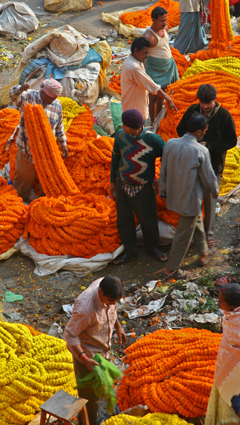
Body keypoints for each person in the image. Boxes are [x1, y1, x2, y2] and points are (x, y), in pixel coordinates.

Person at [159, 113, 219, 280]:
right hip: (190, 200)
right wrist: (214, 191)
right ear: (199, 132)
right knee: (183, 234)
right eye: (205, 131)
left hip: (172, 195)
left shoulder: (171, 143)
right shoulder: (201, 150)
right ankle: (171, 269)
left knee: (195, 221)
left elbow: (164, 168)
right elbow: (208, 177)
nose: (205, 134)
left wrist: (162, 189)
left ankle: (203, 253)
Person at [176, 84, 236, 249]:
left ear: (215, 100)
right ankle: (195, 234)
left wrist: (208, 144)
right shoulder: (192, 111)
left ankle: (208, 235)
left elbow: (231, 140)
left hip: (213, 166)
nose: (204, 106)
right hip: (193, 164)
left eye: (207, 103)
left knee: (210, 202)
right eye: (202, 102)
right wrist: (192, 140)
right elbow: (180, 129)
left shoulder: (224, 116)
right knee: (193, 201)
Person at [64, 276, 126, 425]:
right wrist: (84, 358)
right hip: (87, 354)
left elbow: (111, 308)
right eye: (111, 301)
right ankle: (88, 421)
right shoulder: (86, 309)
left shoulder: (106, 284)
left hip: (102, 347)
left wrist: (118, 326)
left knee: (100, 386)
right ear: (100, 292)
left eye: (115, 302)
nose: (113, 305)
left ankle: (96, 409)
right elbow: (70, 334)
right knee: (89, 396)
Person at [110, 108, 167, 265]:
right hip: (123, 185)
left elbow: (167, 157)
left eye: (125, 125)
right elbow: (115, 158)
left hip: (143, 188)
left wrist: (162, 178)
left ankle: (152, 248)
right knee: (124, 220)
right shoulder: (121, 137)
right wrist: (112, 181)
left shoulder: (153, 140)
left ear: (135, 127)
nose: (122, 127)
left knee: (148, 220)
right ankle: (130, 251)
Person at [8, 79, 68, 201]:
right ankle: (19, 201)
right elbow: (12, 95)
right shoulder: (28, 97)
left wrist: (63, 144)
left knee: (47, 182)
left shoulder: (57, 105)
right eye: (50, 97)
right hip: (27, 150)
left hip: (46, 152)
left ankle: (43, 203)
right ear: (43, 91)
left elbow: (59, 127)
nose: (52, 100)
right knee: (22, 181)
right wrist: (20, 89)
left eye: (55, 98)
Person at [205, 284, 240, 425]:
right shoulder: (232, 315)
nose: (218, 303)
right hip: (226, 370)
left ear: (232, 306)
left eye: (221, 301)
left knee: (233, 399)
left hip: (236, 373)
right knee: (225, 391)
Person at [120, 37, 177, 123]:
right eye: (145, 53)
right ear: (136, 50)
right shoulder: (134, 68)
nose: (147, 56)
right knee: (136, 132)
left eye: (148, 53)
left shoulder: (133, 60)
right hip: (134, 111)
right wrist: (168, 98)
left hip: (132, 108)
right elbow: (152, 86)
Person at [143, 7, 179, 120]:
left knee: (161, 96)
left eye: (165, 20)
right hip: (155, 69)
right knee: (153, 96)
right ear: (153, 20)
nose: (164, 23)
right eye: (161, 20)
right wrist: (144, 74)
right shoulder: (149, 36)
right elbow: (143, 56)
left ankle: (159, 120)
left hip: (167, 68)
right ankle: (153, 121)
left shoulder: (166, 29)